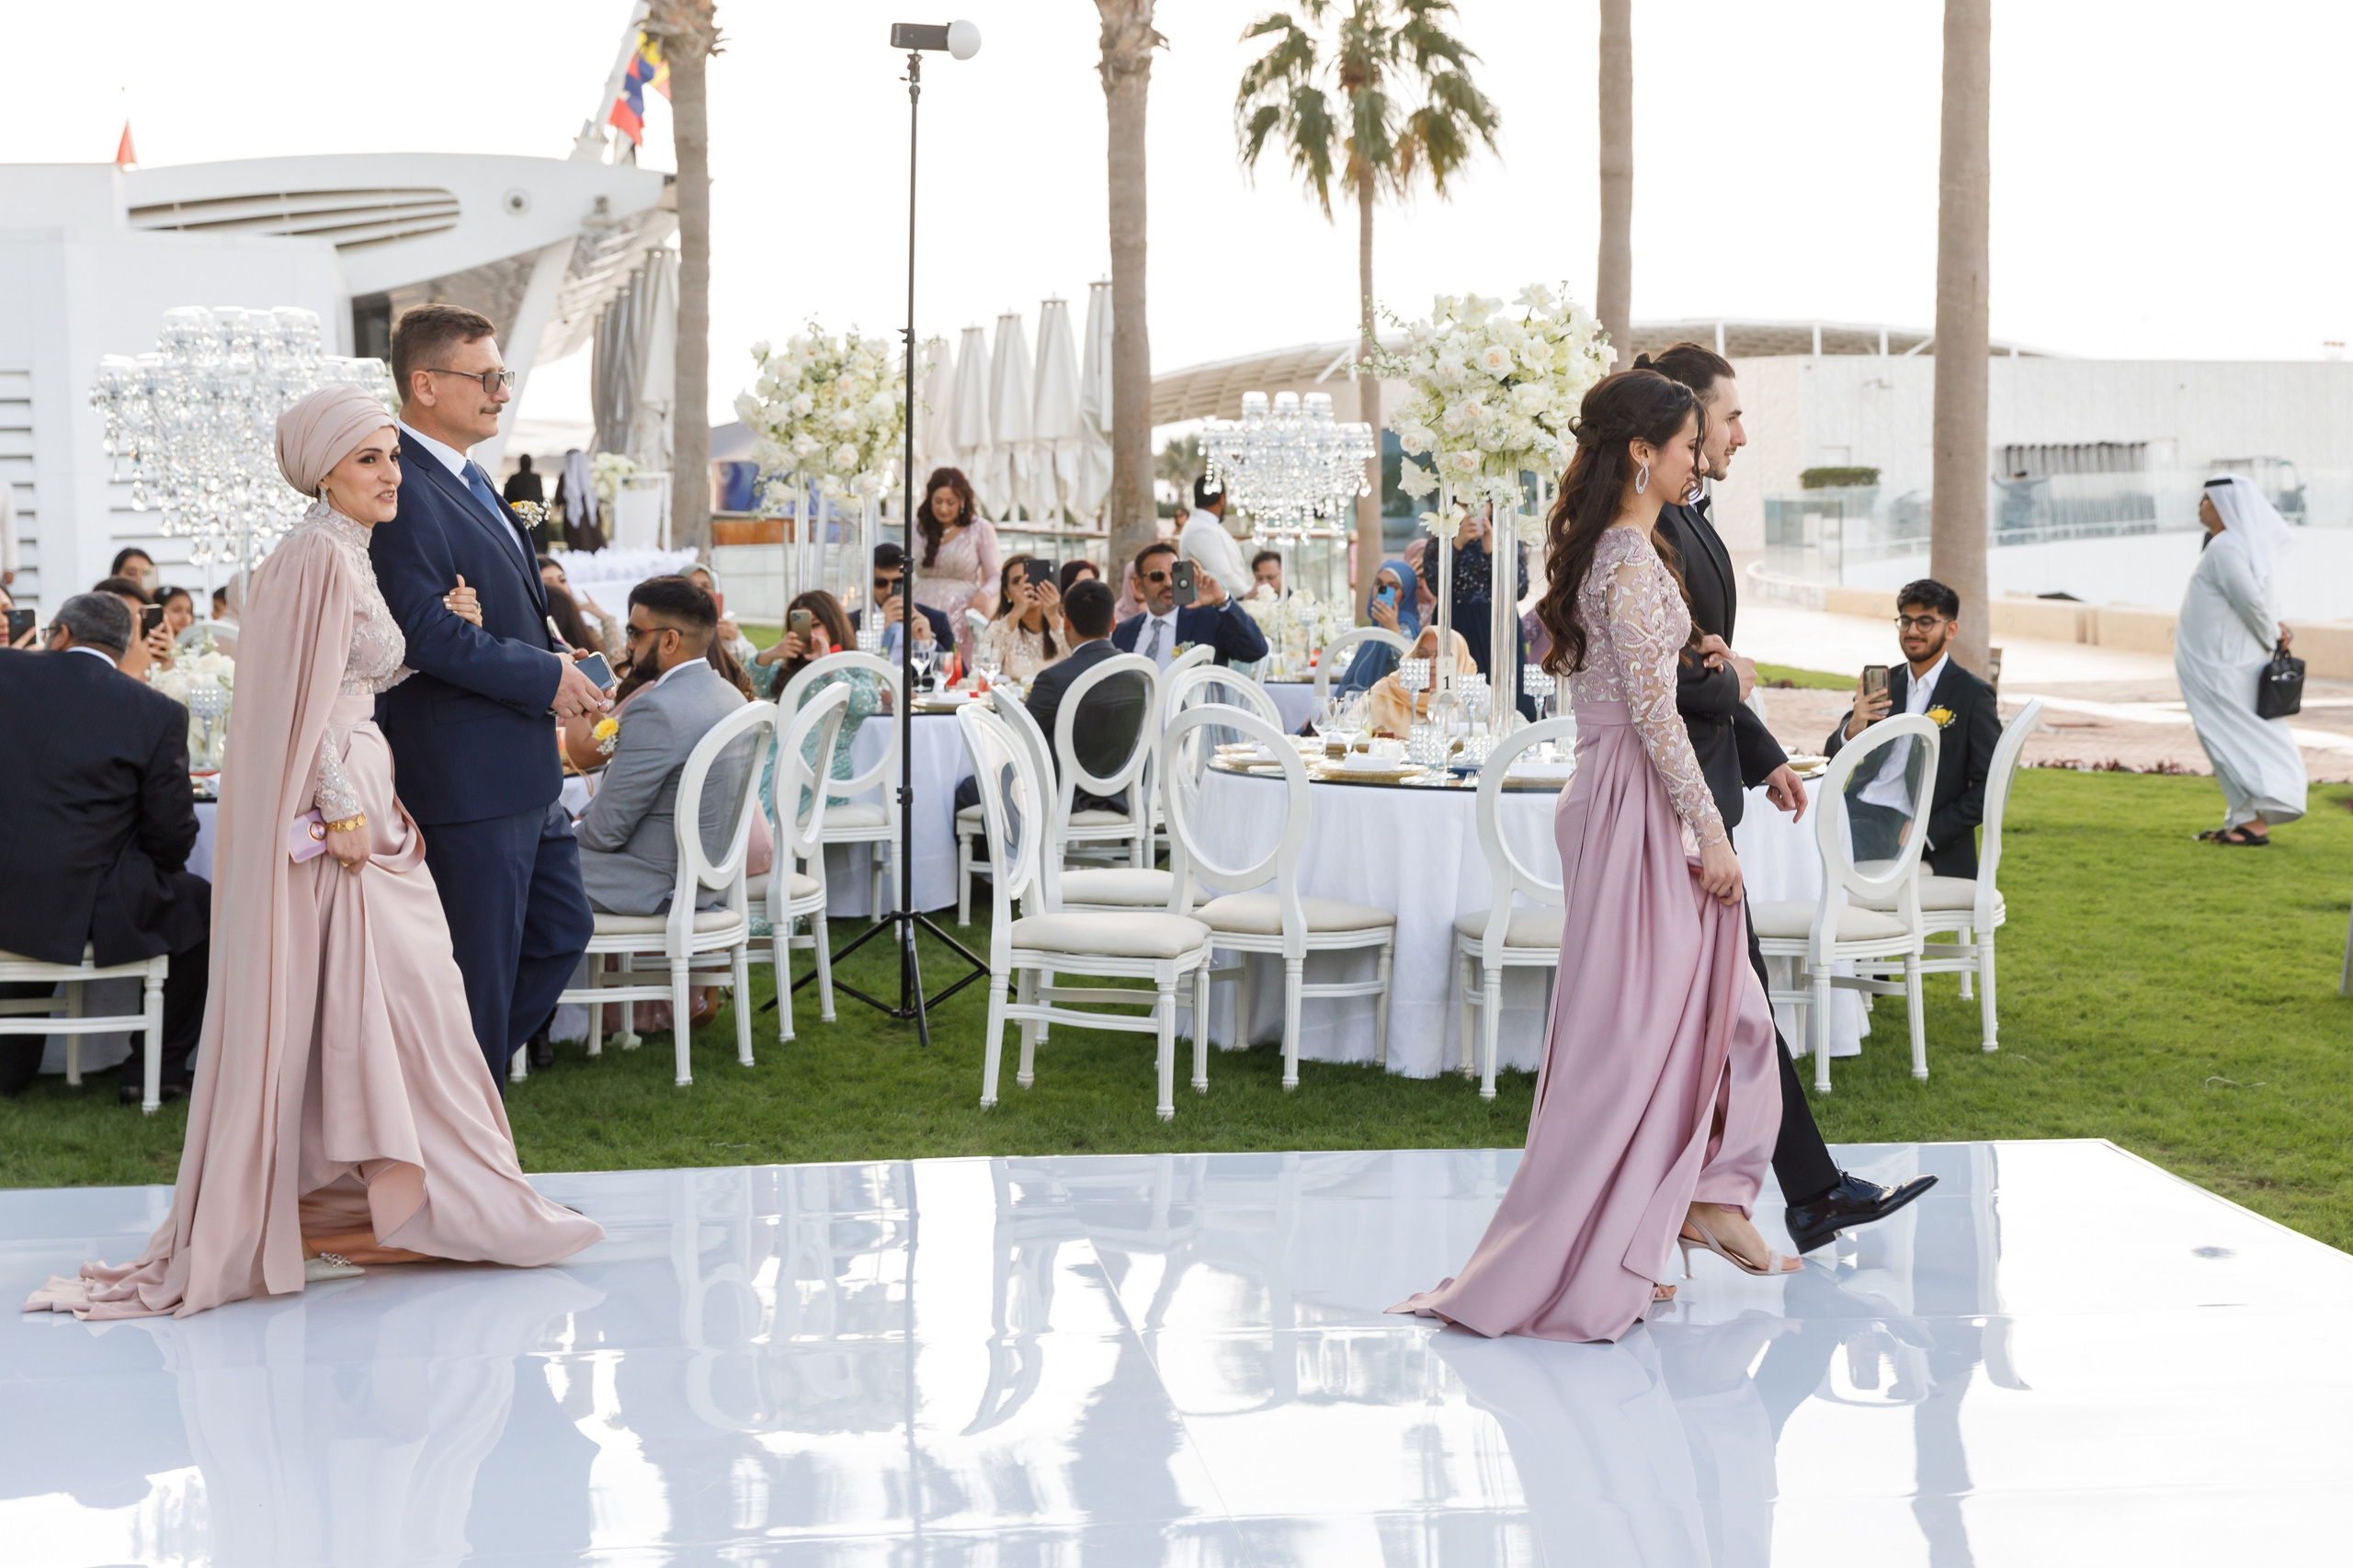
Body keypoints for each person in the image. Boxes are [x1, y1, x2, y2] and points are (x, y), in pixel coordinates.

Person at [24, 385, 599, 1322]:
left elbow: (355, 673)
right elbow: (301, 704)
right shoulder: (314, 558)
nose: (390, 474)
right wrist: (340, 812)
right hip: (343, 807)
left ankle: (407, 1200)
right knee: (386, 1004)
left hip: (367, 787)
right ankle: (425, 1202)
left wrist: (435, 627)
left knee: (391, 1007)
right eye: (368, 458)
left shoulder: (346, 554)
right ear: (321, 468)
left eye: (392, 455)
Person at [1391, 369, 1788, 1344]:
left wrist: (1695, 663)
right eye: (1691, 446)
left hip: (1617, 794)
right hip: (1639, 805)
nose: (1702, 461)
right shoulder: (1620, 558)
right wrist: (1709, 832)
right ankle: (1635, 1224)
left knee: (1686, 1015)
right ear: (1644, 452)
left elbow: (1617, 680)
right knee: (1636, 1034)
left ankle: (1654, 1216)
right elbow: (1654, 722)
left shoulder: (1619, 553)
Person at [1648, 342, 1936, 1253]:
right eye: (1729, 416)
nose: (1740, 432)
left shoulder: (1689, 521)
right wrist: (1733, 687)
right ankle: (1758, 1198)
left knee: (1737, 1008)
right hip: (1676, 808)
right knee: (1717, 1013)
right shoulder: (1653, 529)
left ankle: (1796, 1192)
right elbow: (1674, 674)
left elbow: (1708, 659)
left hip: (1709, 794)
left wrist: (1762, 748)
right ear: (1687, 420)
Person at [369, 303, 607, 1085]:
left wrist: (555, 651)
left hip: (526, 773)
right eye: (489, 377)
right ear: (426, 384)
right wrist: (545, 677)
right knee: (476, 976)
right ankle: (461, 1143)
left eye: (502, 376)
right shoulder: (398, 484)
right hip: (465, 777)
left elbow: (496, 613)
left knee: (559, 935)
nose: (502, 393)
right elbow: (426, 634)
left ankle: (453, 1105)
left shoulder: (468, 477)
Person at [0, 593, 210, 1105]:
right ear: (124, 647)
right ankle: (151, 1073)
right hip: (87, 903)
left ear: (62, 633)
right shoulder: (155, 710)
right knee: (198, 902)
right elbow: (173, 834)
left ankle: (10, 1069)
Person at [575, 577, 753, 917]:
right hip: (707, 879)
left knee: (515, 864)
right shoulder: (729, 695)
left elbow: (604, 834)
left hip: (653, 884)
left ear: (670, 640)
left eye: (635, 633)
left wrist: (563, 832)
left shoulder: (656, 709)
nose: (629, 646)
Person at [1824, 577, 2001, 875]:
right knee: (1796, 833)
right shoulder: (1885, 684)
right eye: (1906, 621)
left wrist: (1928, 831)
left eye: (1925, 622)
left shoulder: (1972, 695)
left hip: (1909, 823)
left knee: (1822, 850)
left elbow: (1989, 786)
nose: (1912, 631)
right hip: (1858, 807)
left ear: (1951, 629)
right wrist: (1853, 727)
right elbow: (1831, 757)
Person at [2175, 472, 2305, 846]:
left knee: (2234, 738)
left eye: (2205, 500)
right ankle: (2243, 819)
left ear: (2223, 506)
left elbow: (2249, 600)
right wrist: (2272, 627)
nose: (2200, 506)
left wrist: (2271, 632)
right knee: (2222, 739)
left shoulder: (2227, 547)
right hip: (2217, 665)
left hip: (2224, 668)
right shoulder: (2230, 545)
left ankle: (2256, 821)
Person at [954, 578, 1144, 825]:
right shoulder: (1139, 675)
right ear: (1113, 623)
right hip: (1119, 792)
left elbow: (1020, 739)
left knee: (968, 788)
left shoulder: (1056, 678)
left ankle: (1003, 863)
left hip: (1057, 791)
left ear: (1066, 622)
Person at [1111, 540, 1270, 669]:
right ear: (1139, 585)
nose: (1168, 582)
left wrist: (1222, 601)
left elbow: (1255, 650)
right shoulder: (1123, 632)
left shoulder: (1208, 620)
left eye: (1175, 574)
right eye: (1157, 576)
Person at [1416, 503, 1527, 686]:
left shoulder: (1507, 538)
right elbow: (1435, 586)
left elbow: (1519, 589)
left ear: (1491, 505)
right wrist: (1456, 544)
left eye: (1479, 504)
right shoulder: (1441, 540)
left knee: (1504, 691)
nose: (1471, 511)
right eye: (1465, 504)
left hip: (1497, 626)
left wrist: (1492, 553)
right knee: (1451, 692)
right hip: (1455, 625)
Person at [910, 466, 1000, 663]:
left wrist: (983, 595)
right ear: (929, 499)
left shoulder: (979, 529)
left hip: (961, 614)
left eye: (950, 502)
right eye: (938, 501)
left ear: (962, 501)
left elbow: (996, 576)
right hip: (920, 608)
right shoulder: (917, 527)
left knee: (954, 667)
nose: (943, 508)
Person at [1364, 623, 1476, 738]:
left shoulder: (1475, 698)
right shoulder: (1386, 691)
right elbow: (1352, 730)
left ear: (1459, 661)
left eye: (1441, 657)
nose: (1431, 663)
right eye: (1423, 656)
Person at [848, 540, 954, 657]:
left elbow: (960, 672)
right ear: (869, 584)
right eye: (881, 583)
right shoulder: (850, 622)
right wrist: (876, 630)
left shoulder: (935, 620)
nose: (890, 591)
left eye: (898, 582)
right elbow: (844, 668)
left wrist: (929, 644)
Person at [1338, 558, 1421, 697]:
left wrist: (1394, 630)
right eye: (1379, 584)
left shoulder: (1405, 623)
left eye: (1393, 587)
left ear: (1406, 593)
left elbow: (1412, 670)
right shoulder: (1377, 625)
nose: (1383, 591)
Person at [977, 555, 1065, 682]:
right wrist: (1016, 613)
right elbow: (985, 668)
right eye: (1017, 581)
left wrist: (1053, 615)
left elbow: (1078, 661)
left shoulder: (1063, 626)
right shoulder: (998, 629)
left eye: (1032, 579)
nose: (1027, 586)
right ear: (1007, 593)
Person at [1177, 475, 1252, 600]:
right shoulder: (1201, 530)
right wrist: (1251, 596)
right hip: (1215, 608)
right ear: (1222, 499)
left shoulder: (1204, 524)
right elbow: (1223, 574)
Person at [538, 555, 623, 656]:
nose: (560, 587)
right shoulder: (537, 637)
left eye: (562, 580)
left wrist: (606, 619)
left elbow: (617, 666)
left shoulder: (586, 631)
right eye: (548, 583)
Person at [94, 574, 174, 679]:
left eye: (141, 619)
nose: (135, 629)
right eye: (126, 621)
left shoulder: (155, 667)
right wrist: (130, 673)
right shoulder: (90, 670)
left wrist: (170, 669)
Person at [553, 449, 604, 551]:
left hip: (574, 521)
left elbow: (558, 499)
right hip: (584, 519)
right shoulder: (589, 475)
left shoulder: (565, 477)